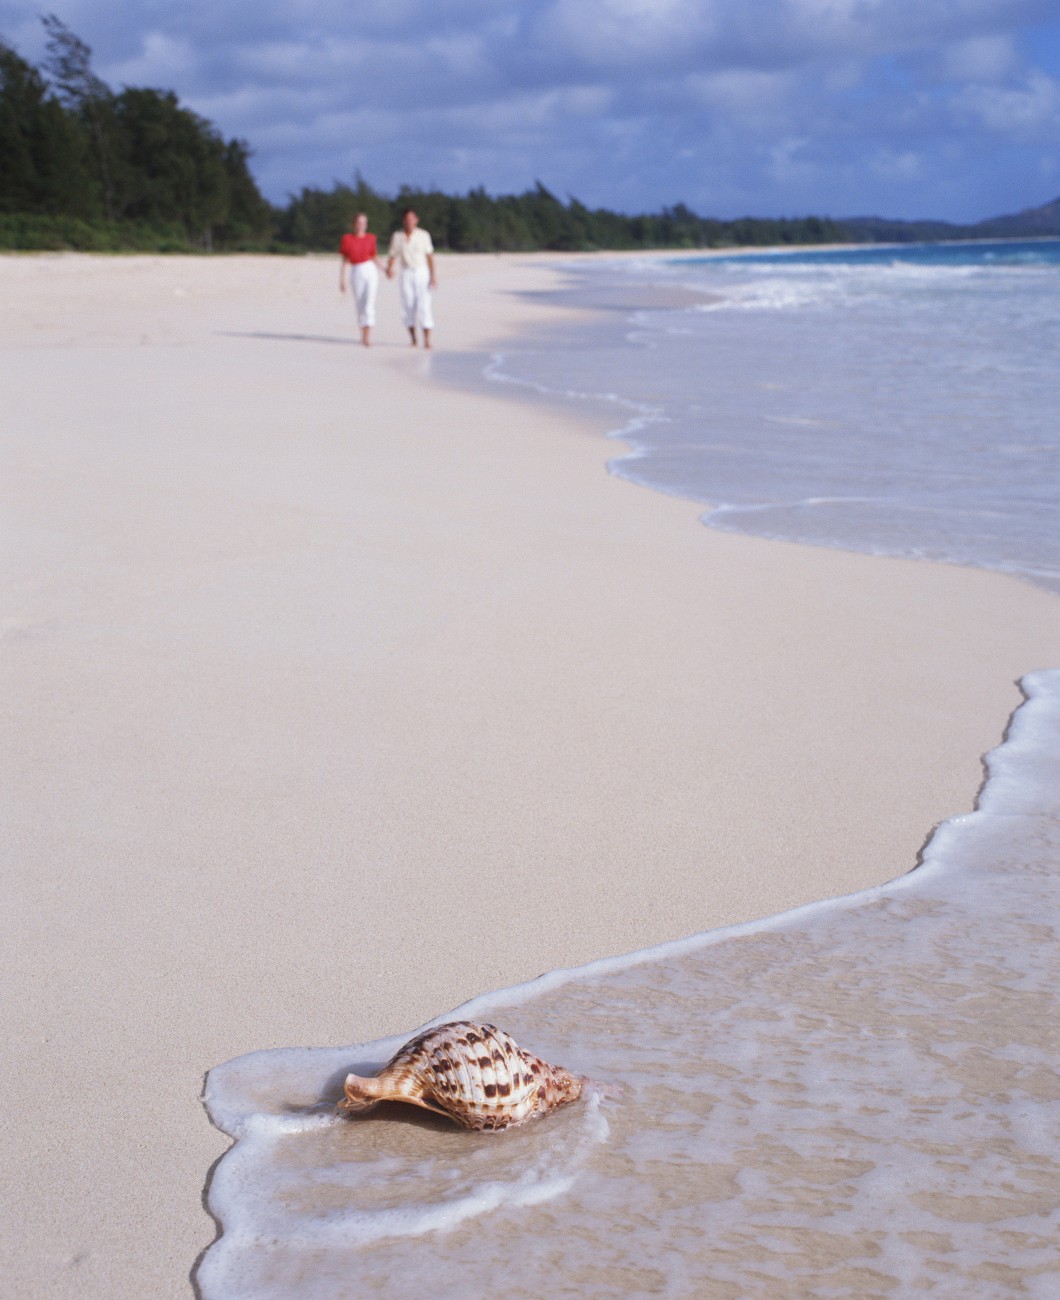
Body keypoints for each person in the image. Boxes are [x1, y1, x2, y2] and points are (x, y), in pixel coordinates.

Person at [386, 208, 437, 348]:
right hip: (406, 272)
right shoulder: (397, 236)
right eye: (407, 219)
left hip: (421, 272)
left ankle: (427, 340)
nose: (409, 221)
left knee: (424, 305)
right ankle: (413, 339)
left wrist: (433, 276)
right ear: (403, 220)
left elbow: (429, 256)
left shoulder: (423, 235)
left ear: (416, 220)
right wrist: (390, 268)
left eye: (412, 219)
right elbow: (392, 255)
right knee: (407, 305)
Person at [339, 213, 381, 347]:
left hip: (370, 269)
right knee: (360, 304)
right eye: (359, 222)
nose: (361, 225)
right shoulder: (347, 239)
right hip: (356, 270)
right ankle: (363, 334)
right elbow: (344, 260)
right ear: (354, 224)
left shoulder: (371, 238)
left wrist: (385, 269)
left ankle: (367, 337)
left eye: (364, 223)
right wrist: (342, 279)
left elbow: (374, 256)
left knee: (369, 303)